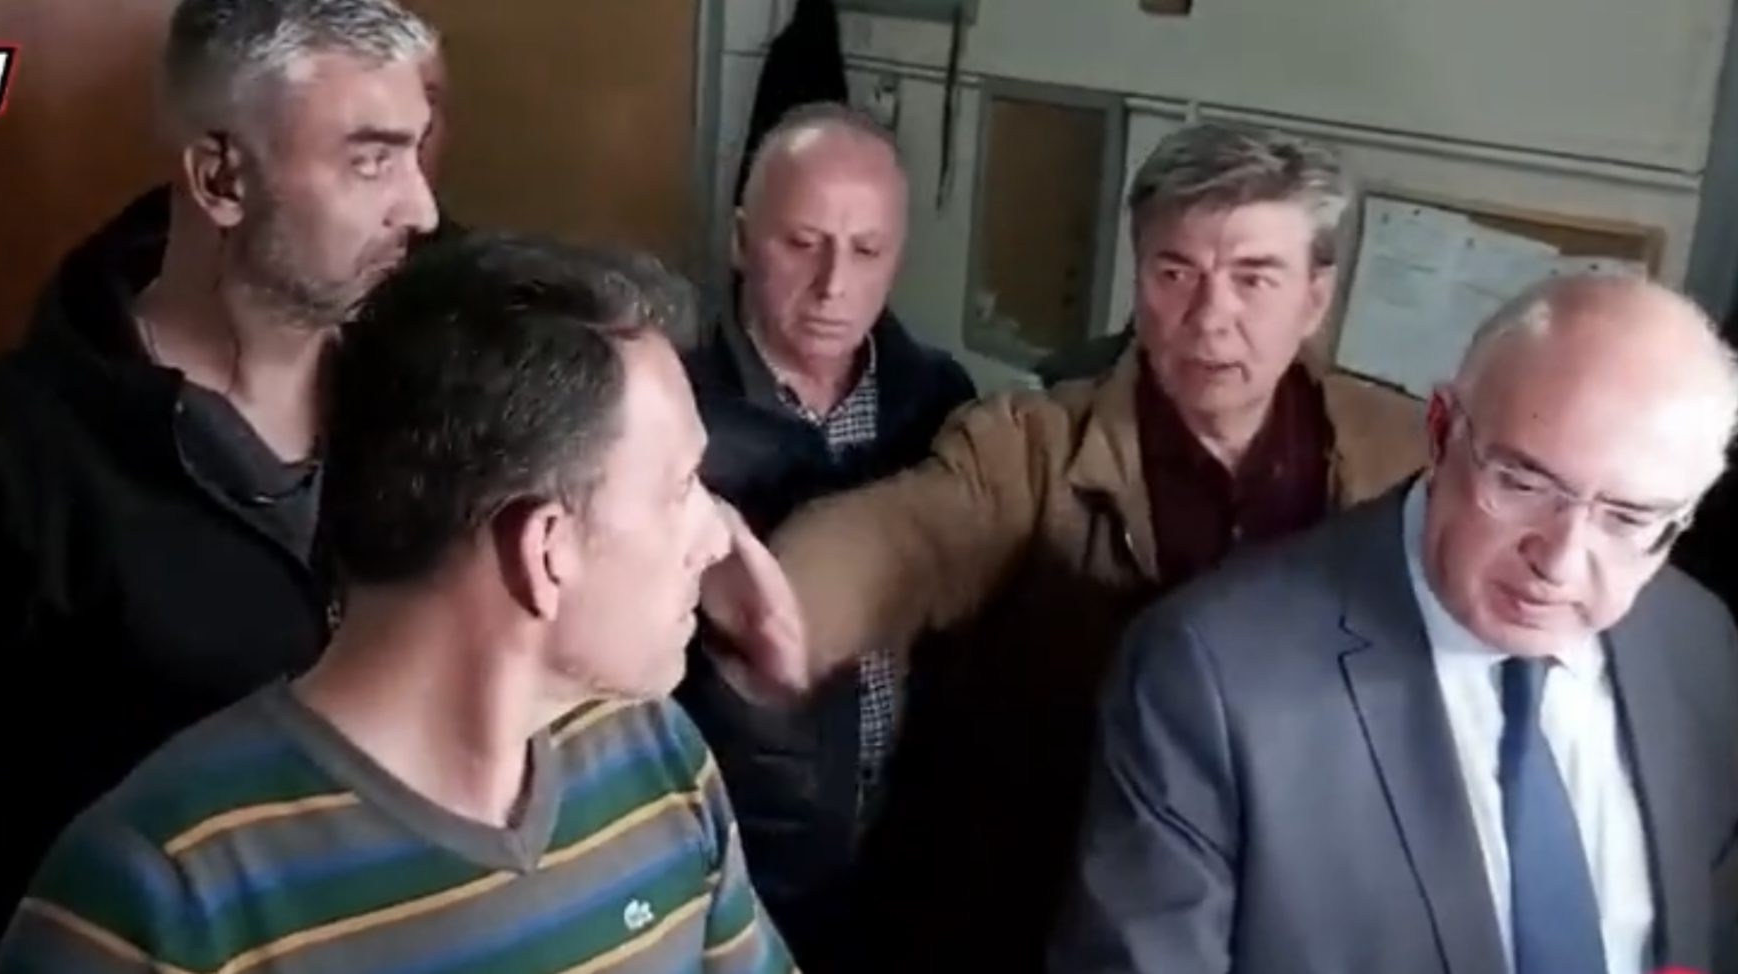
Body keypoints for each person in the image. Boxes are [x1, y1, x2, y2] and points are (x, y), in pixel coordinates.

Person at [708, 119, 1429, 969]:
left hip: (1309, 914)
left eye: (1253, 278)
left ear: (1314, 296)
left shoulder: (1403, 456)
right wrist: (792, 605)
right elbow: (911, 533)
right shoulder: (1035, 444)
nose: (1210, 318)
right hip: (1071, 912)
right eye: (1175, 273)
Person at [0, 1, 440, 969]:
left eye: (416, 153)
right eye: (371, 161)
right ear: (220, 178)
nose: (420, 208)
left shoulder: (439, 398)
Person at [0, 232, 796, 974]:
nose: (714, 538)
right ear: (546, 551)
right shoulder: (156, 899)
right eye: (680, 488)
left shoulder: (657, 757)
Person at [1048, 274, 1738, 974]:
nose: (1559, 562)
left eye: (1628, 518)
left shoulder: (1701, 644)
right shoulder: (1207, 674)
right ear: (1439, 430)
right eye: (1522, 483)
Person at [675, 101, 974, 971]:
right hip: (737, 865)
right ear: (742, 239)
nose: (834, 284)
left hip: (909, 857)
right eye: (802, 243)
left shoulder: (939, 401)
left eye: (868, 251)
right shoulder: (670, 412)